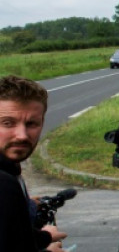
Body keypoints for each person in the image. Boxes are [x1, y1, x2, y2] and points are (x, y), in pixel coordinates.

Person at [0, 75, 68, 252]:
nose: (22, 135)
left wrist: (45, 237)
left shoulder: (10, 169)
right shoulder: (4, 183)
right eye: (8, 123)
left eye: (31, 124)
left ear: (42, 123)